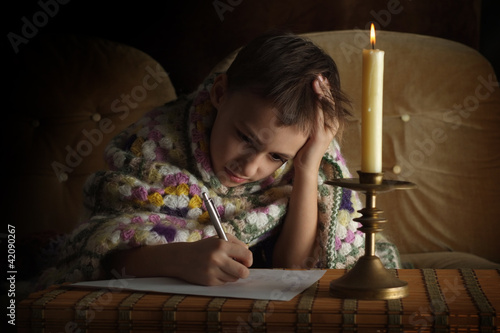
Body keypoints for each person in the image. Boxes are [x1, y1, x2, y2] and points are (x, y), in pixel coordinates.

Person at [39, 31, 400, 288]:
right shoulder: (152, 148)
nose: (249, 166)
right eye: (244, 137)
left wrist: (306, 167)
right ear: (220, 93)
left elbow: (297, 268)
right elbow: (96, 254)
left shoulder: (308, 161)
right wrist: (176, 258)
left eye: (276, 156)